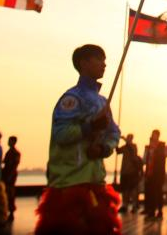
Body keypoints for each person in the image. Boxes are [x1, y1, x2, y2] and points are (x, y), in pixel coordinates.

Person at [34, 44, 121, 235]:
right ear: (83, 63)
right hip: (69, 183)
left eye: (104, 60)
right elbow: (61, 134)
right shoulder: (72, 98)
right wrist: (90, 127)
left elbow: (114, 133)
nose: (104, 64)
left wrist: (103, 149)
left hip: (96, 182)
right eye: (98, 59)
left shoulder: (102, 102)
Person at [142, 130, 166, 221]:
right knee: (150, 192)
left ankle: (159, 210)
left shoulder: (161, 146)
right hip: (149, 173)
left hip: (158, 173)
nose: (153, 137)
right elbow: (145, 160)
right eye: (153, 135)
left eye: (155, 135)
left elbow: (162, 157)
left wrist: (155, 148)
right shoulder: (148, 147)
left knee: (158, 192)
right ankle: (151, 211)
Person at [116, 133, 142, 214]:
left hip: (132, 172)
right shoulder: (125, 147)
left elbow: (132, 151)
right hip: (124, 172)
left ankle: (134, 205)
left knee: (133, 189)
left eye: (129, 138)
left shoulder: (133, 146)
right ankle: (125, 205)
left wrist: (124, 139)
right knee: (125, 189)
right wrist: (116, 142)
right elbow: (118, 151)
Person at [2, 135, 21, 221]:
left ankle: (11, 212)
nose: (8, 142)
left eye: (10, 141)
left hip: (11, 174)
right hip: (6, 173)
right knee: (6, 193)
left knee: (10, 193)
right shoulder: (9, 152)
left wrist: (10, 175)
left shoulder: (16, 153)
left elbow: (15, 165)